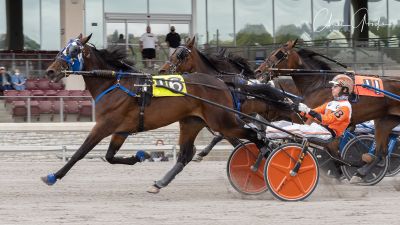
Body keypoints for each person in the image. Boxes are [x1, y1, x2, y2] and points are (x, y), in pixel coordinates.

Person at [258, 74, 353, 141]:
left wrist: (308, 110)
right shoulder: (331, 103)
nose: (332, 88)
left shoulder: (345, 107)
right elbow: (312, 113)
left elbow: (327, 120)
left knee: (297, 129)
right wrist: (296, 107)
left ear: (344, 90)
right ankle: (263, 129)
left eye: (335, 86)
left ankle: (265, 134)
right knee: (283, 123)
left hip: (327, 133)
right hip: (318, 128)